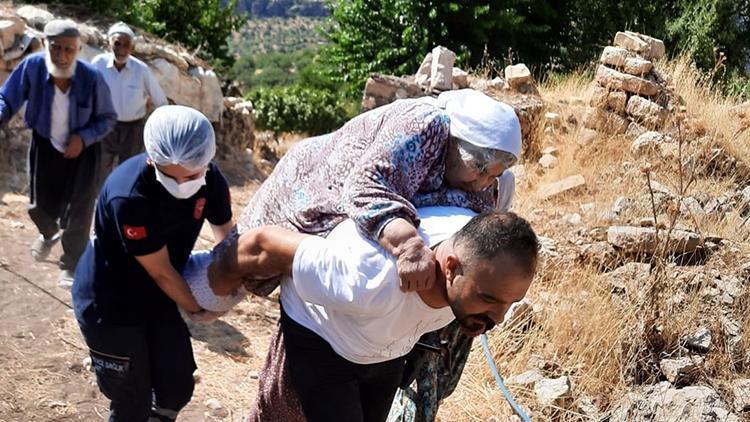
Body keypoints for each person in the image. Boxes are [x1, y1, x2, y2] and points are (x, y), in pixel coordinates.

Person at [211, 88, 522, 417]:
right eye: (479, 168)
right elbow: (365, 186)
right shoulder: (421, 129)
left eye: (494, 175)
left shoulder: (480, 179)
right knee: (286, 402)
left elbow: (476, 230)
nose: (483, 182)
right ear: (456, 142)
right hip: (313, 200)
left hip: (373, 336)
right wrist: (406, 244)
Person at [207, 208, 538, 421]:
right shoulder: (370, 279)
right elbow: (261, 244)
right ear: (450, 268)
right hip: (323, 340)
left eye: (510, 303)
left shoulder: (475, 259)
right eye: (489, 299)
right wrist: (203, 293)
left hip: (387, 347)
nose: (498, 317)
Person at [71, 105, 234, 422]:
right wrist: (199, 308)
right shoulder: (130, 196)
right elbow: (160, 271)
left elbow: (228, 243)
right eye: (168, 175)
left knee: (177, 386)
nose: (181, 184)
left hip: (159, 296)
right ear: (151, 158)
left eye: (191, 175)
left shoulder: (211, 180)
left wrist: (231, 288)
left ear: (206, 160)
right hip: (111, 302)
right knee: (131, 399)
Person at [0, 19, 116, 287]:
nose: (62, 56)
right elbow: (7, 97)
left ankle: (71, 263)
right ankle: (49, 232)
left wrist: (84, 138)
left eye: (69, 50)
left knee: (80, 208)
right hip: (45, 143)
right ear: (44, 45)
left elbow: (108, 118)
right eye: (56, 48)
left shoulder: (91, 78)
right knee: (38, 207)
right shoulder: (31, 68)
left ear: (78, 50)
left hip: (84, 150)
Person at [92, 22, 168, 183]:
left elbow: (160, 101)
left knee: (128, 173)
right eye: (117, 43)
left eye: (126, 45)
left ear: (132, 48)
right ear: (108, 44)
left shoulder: (141, 70)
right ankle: (101, 205)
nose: (121, 49)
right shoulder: (98, 64)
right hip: (105, 128)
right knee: (99, 172)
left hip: (133, 130)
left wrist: (160, 130)